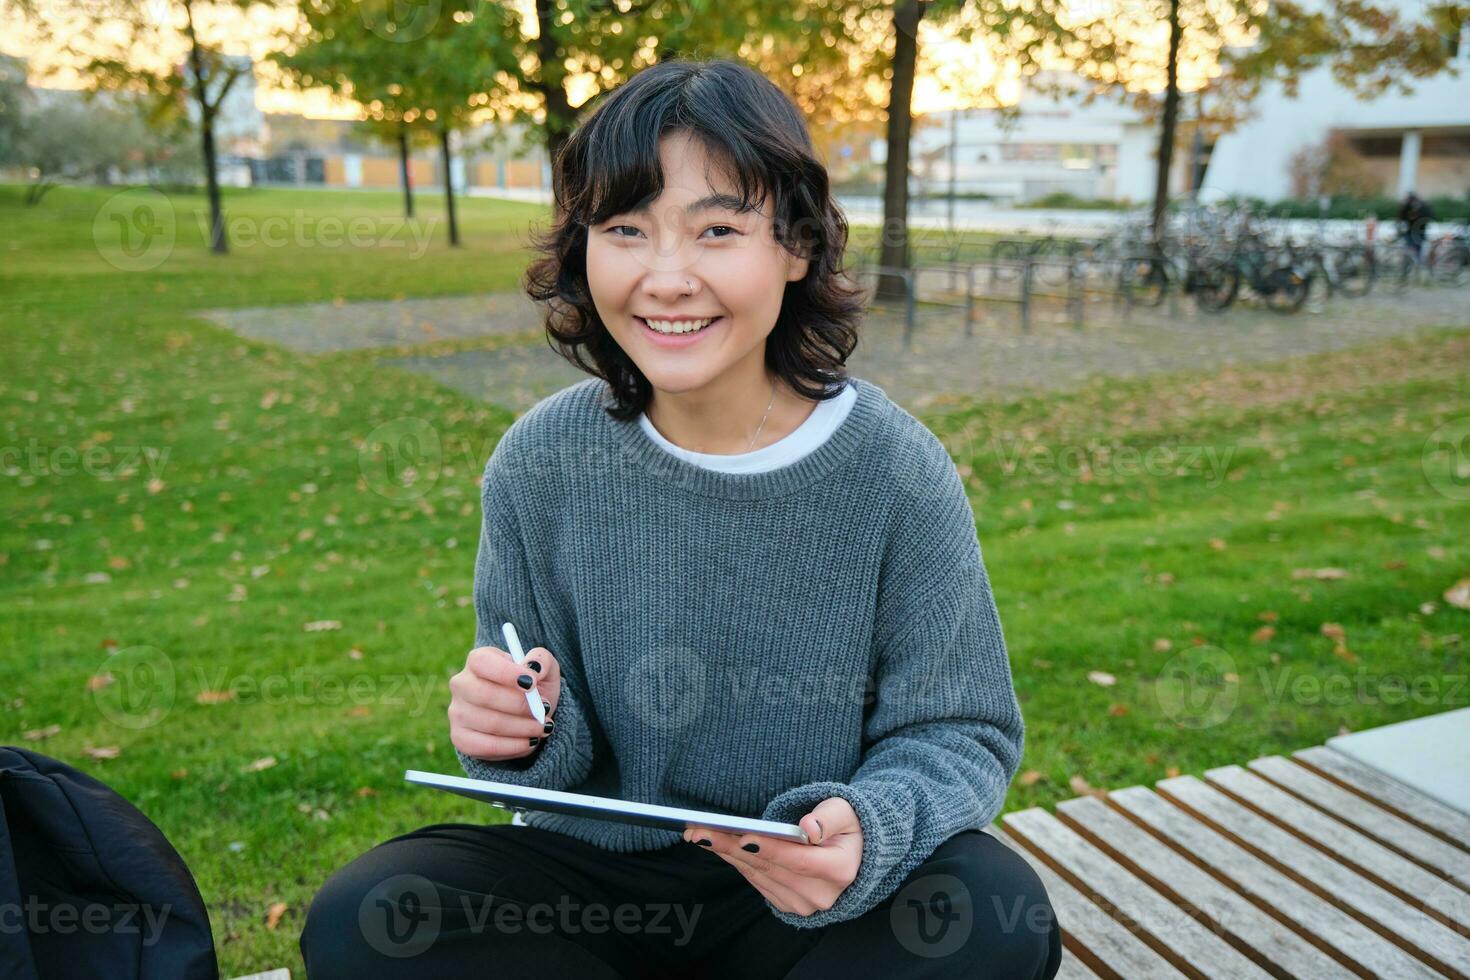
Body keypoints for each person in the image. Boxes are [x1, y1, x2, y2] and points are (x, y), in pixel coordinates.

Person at [298, 57, 1063, 980]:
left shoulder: (895, 470)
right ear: (582, 248)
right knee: (372, 913)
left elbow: (960, 729)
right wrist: (521, 726)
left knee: (987, 913)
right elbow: (545, 738)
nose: (667, 277)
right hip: (599, 887)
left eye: (717, 230)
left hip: (808, 899)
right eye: (625, 229)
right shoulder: (542, 463)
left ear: (797, 246)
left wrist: (871, 829)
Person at [1399, 190, 1435, 264]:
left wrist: (1417, 216)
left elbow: (1428, 217)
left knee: (1416, 249)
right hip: (1411, 231)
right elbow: (1402, 216)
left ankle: (1416, 264)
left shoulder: (1422, 206)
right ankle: (1412, 263)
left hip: (1418, 231)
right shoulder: (1408, 206)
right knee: (1410, 249)